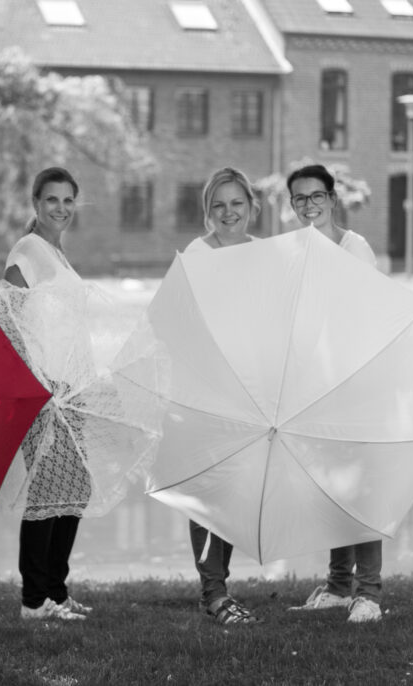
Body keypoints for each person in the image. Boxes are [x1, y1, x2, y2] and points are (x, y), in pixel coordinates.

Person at [283, 163, 382, 624]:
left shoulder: (354, 248)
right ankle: (339, 585)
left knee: (360, 490)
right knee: (331, 489)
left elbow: (365, 316)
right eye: (299, 199)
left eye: (315, 196)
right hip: (314, 385)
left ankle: (370, 594)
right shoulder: (294, 254)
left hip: (355, 382)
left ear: (332, 198)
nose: (308, 206)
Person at [3, 167, 92, 622]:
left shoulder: (56, 252)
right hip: (44, 391)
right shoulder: (27, 251)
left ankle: (56, 592)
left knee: (74, 490)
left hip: (71, 389)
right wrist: (38, 384)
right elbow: (9, 319)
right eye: (51, 199)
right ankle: (34, 601)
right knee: (46, 494)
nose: (60, 208)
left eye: (68, 200)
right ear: (36, 203)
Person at [181, 167, 260, 625]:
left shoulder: (265, 253)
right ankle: (213, 592)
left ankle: (218, 585)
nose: (228, 213)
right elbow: (184, 322)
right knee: (211, 489)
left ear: (251, 206)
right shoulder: (197, 254)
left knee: (235, 491)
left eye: (237, 204)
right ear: (208, 212)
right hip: (210, 389)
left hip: (253, 387)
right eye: (219, 205)